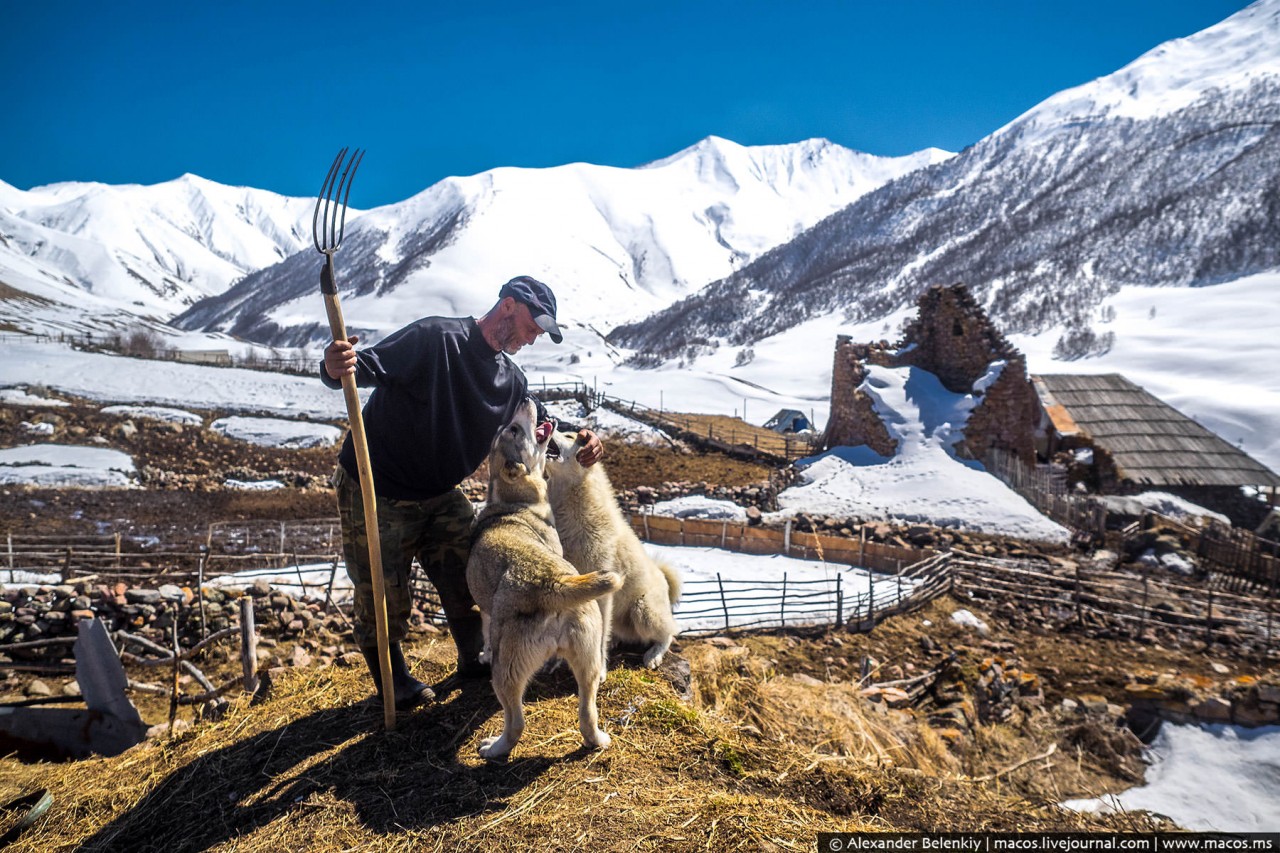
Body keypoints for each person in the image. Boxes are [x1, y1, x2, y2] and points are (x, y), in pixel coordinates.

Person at [321, 275, 604, 710]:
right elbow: (361, 366)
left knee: (468, 572)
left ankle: (474, 657)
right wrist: (333, 365)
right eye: (533, 326)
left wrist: (579, 442)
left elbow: (541, 422)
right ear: (508, 306)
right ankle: (393, 680)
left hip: (438, 492)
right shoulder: (436, 339)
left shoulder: (510, 379)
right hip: (378, 488)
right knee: (381, 589)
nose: (533, 339)